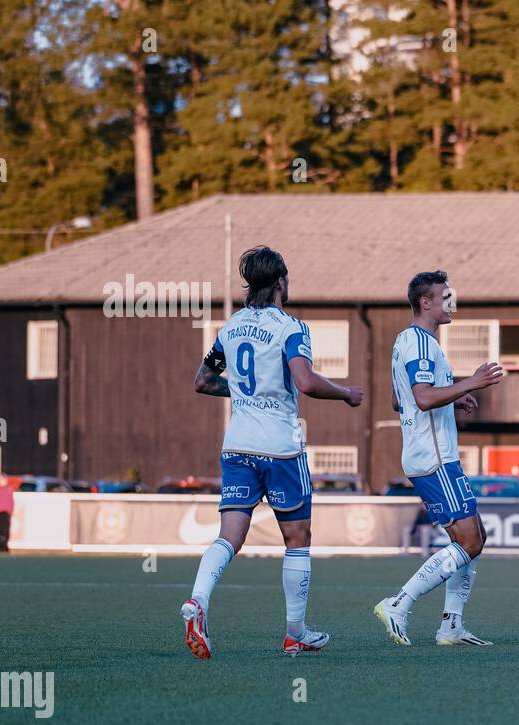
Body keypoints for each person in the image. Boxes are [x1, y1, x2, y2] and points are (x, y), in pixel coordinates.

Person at [182, 245, 364, 660]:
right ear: (281, 281)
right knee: (297, 539)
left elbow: (202, 381)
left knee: (229, 536)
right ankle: (295, 632)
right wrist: (345, 394)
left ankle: (197, 600)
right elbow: (304, 381)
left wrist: (247, 391)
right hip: (280, 447)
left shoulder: (230, 327)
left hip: (237, 445)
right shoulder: (291, 327)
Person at [372, 270, 502, 648]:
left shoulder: (409, 341)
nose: (451, 303)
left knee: (476, 535)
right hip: (434, 457)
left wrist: (455, 396)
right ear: (425, 302)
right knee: (469, 541)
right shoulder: (421, 344)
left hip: (431, 453)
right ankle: (399, 602)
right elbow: (424, 397)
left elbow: (401, 399)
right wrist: (471, 383)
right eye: (445, 296)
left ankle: (451, 625)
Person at [0, 474, 14, 553]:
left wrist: (10, 511)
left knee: (5, 529)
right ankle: (0, 545)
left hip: (6, 512)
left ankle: (5, 545)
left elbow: (11, 501)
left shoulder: (10, 489)